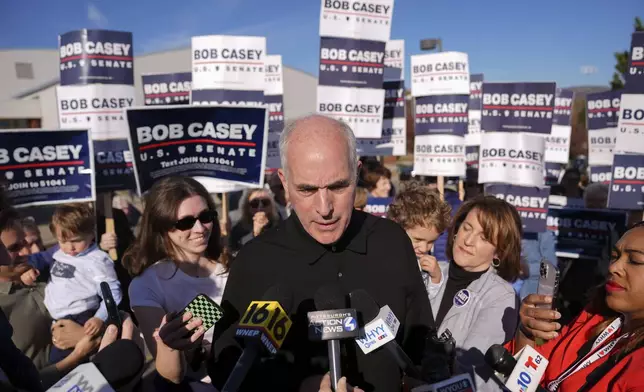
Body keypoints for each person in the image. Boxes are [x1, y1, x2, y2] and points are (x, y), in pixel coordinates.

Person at [209, 114, 434, 391]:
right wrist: (299, 386)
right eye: (307, 189)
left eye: (338, 186)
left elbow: (422, 343)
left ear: (357, 173)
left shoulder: (391, 242)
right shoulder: (254, 261)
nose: (325, 207)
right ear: (285, 183)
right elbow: (225, 365)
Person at [512, 222, 644, 391]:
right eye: (614, 256)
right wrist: (528, 333)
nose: (613, 267)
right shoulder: (594, 316)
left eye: (634, 260)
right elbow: (528, 376)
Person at [125, 176, 229, 387]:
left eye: (206, 216)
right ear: (162, 226)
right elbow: (171, 374)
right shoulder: (147, 284)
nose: (200, 229)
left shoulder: (234, 268)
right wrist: (173, 346)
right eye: (186, 222)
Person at [426, 196, 522, 392]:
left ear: (499, 253)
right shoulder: (428, 271)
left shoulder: (500, 295)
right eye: (467, 228)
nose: (468, 241)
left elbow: (471, 373)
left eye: (484, 237)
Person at [43, 203, 122, 364]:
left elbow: (112, 293)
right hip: (56, 320)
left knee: (65, 368)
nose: (70, 247)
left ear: (91, 234)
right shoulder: (59, 253)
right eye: (63, 241)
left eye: (76, 241)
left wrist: (100, 318)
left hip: (82, 317)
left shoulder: (97, 260)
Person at [387, 181, 452, 291]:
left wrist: (436, 279)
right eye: (417, 239)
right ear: (397, 227)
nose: (424, 248)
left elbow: (430, 302)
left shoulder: (427, 266)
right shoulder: (384, 258)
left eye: (431, 242)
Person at [228, 188, 279, 253]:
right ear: (247, 207)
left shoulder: (279, 226)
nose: (260, 207)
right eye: (255, 203)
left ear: (271, 206)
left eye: (265, 203)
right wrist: (256, 234)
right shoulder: (239, 230)